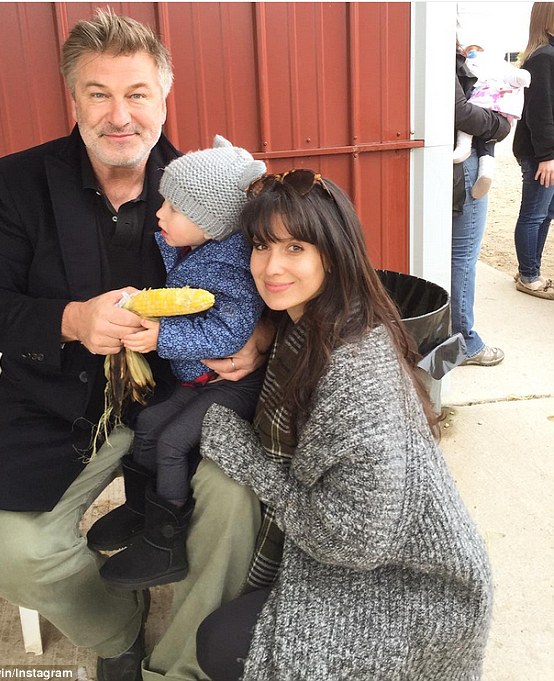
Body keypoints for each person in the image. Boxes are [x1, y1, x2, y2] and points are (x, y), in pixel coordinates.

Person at [0, 9, 269, 681]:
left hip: (185, 396)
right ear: (74, 100)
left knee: (235, 508)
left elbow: (280, 274)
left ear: (163, 99)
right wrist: (70, 320)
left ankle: (181, 664)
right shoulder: (18, 184)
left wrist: (264, 330)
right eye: (99, 94)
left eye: (137, 94)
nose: (120, 116)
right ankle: (119, 629)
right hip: (62, 403)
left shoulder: (206, 185)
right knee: (12, 552)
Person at [194, 170, 494, 680]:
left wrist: (248, 459)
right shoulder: (316, 323)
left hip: (417, 588)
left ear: (332, 254)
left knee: (222, 646)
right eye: (262, 246)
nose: (271, 267)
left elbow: (356, 543)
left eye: (295, 248)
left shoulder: (354, 370)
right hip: (374, 557)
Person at [89, 136, 266, 591]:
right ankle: (142, 510)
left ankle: (165, 544)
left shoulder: (228, 267)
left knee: (170, 443)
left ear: (211, 222)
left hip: (227, 384)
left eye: (173, 207)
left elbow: (232, 333)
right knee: (147, 425)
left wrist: (162, 336)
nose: (159, 213)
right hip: (198, 380)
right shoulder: (193, 248)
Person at [454, 42, 511, 366]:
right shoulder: (447, 55)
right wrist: (499, 125)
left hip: (454, 162)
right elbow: (460, 111)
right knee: (463, 256)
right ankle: (465, 342)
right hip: (465, 165)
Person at [512, 2, 554, 300]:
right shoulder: (544, 57)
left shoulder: (546, 54)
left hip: (545, 151)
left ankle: (530, 268)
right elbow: (540, 113)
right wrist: (547, 156)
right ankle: (528, 275)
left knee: (545, 212)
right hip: (541, 153)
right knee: (534, 213)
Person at [453, 44, 531, 199]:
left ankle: (481, 167)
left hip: (483, 115)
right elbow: (460, 112)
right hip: (484, 120)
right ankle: (483, 168)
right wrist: (500, 126)